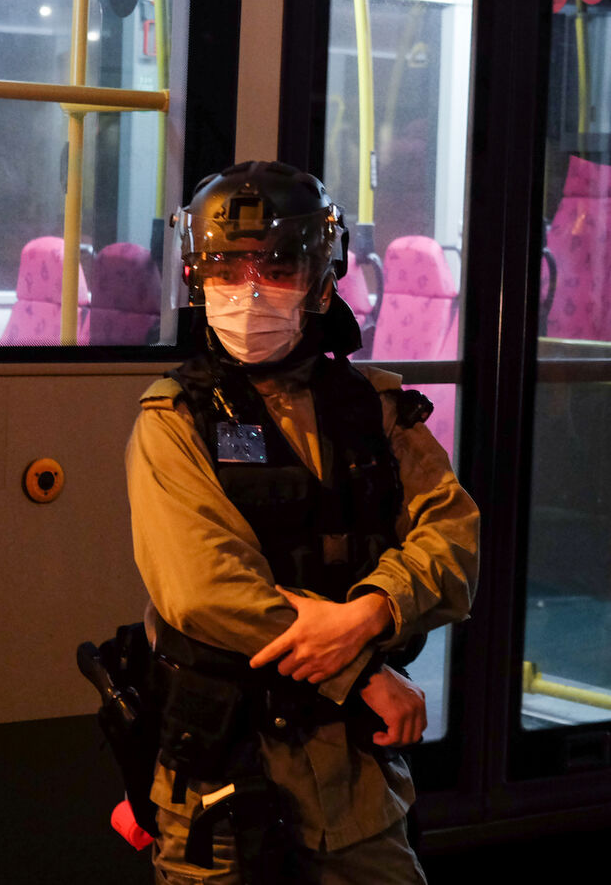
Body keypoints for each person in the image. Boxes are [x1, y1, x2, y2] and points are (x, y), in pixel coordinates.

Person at [125, 159, 479, 884]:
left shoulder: (374, 408)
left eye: (277, 267)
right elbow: (204, 590)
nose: (249, 290)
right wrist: (359, 671)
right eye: (227, 268)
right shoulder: (174, 419)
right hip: (219, 779)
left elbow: (452, 536)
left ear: (321, 278)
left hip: (351, 777)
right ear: (196, 277)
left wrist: (374, 610)